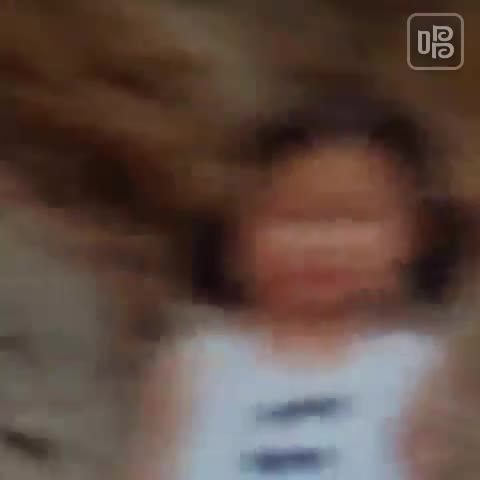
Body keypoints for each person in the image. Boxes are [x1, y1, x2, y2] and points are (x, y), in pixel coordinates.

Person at [136, 85, 471, 480]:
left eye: (355, 219)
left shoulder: (418, 368)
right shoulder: (197, 364)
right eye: (293, 218)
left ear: (418, 234)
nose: (324, 243)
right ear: (235, 229)